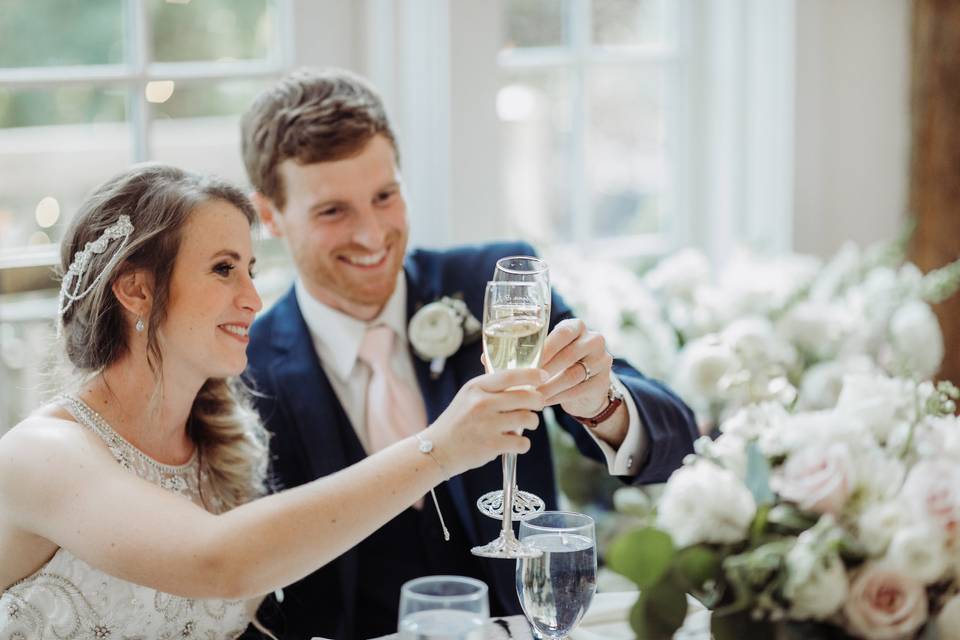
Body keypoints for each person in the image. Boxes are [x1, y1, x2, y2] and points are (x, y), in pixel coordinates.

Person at [239, 68, 699, 639]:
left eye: (386, 196)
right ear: (270, 216)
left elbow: (678, 444)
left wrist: (601, 403)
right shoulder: (244, 366)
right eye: (333, 211)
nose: (372, 233)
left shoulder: (493, 285)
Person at [0, 164, 547, 639]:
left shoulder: (223, 446)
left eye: (250, 270)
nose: (253, 299)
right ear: (136, 289)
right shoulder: (43, 455)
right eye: (223, 269)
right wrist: (441, 450)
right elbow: (220, 561)